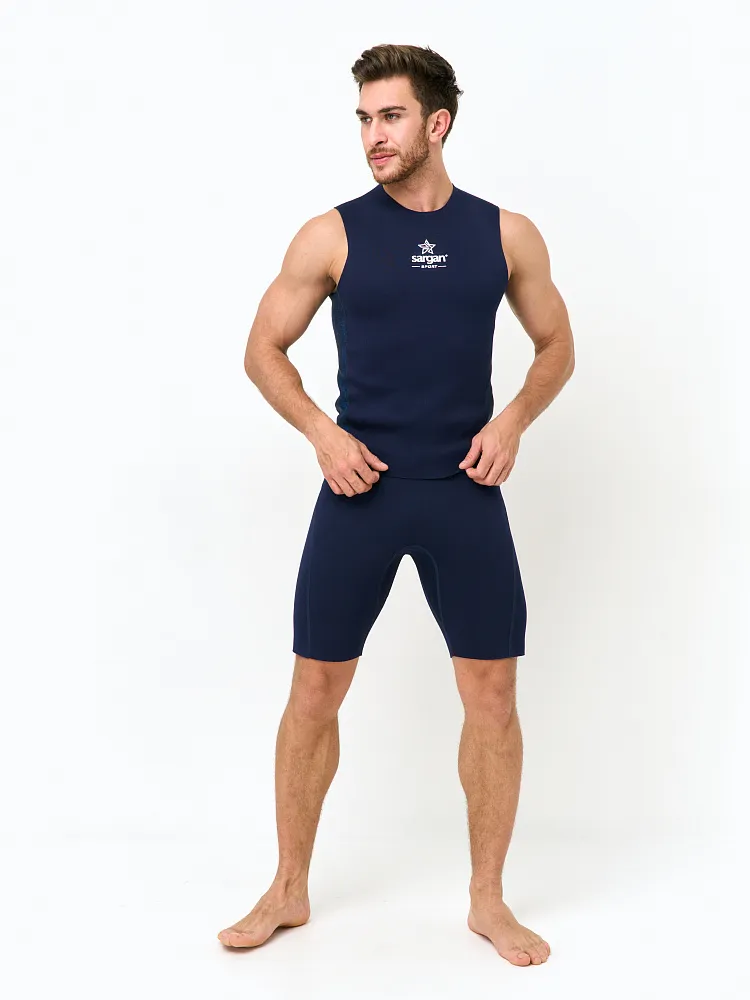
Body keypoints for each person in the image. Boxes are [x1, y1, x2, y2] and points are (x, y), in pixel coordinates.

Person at [218, 43, 574, 967]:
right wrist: (322, 435)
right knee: (314, 689)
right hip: (360, 491)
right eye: (365, 119)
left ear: (437, 123)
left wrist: (514, 420)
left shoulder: (506, 235)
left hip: (465, 492)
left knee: (492, 695)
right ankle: (289, 886)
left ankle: (488, 900)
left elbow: (556, 346)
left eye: (391, 117)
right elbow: (262, 349)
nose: (373, 135)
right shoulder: (330, 235)